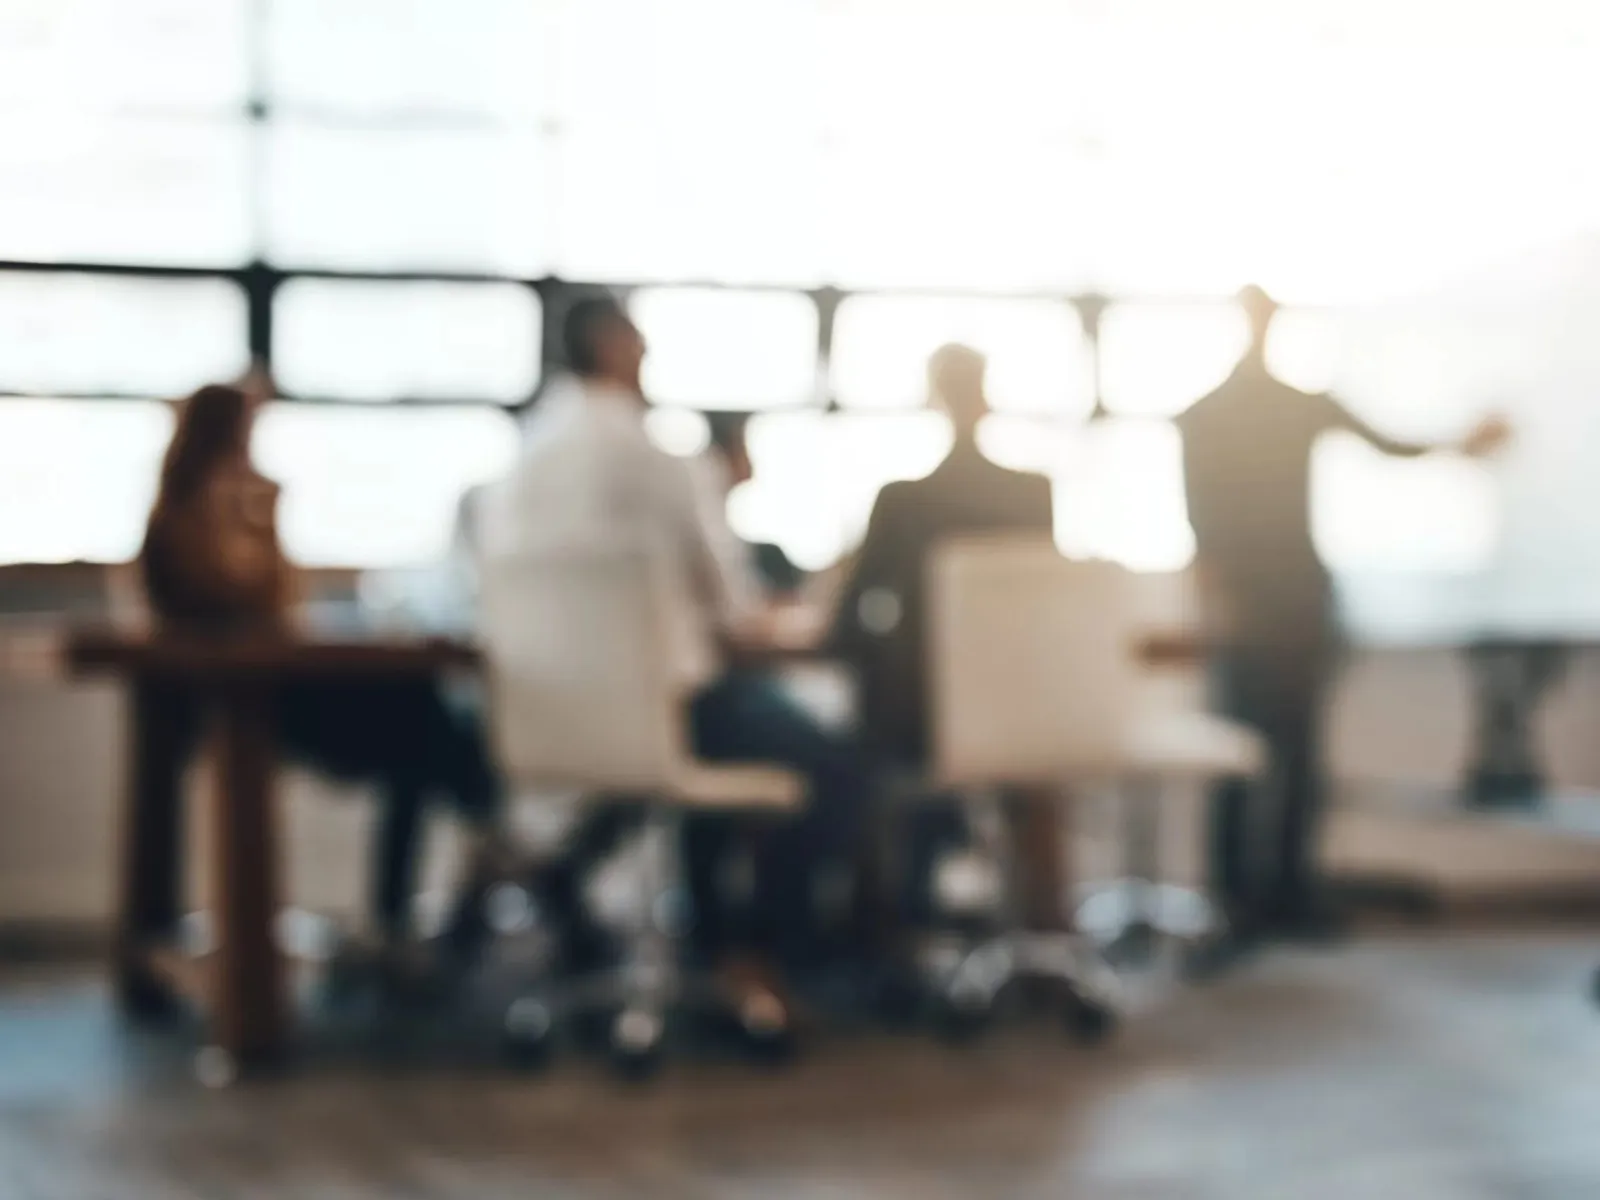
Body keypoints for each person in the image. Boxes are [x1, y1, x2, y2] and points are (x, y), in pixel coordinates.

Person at [479, 295, 877, 991]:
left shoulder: (519, 463)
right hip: (667, 706)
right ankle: (760, 951)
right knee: (837, 766)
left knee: (738, 732)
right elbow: (732, 613)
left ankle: (704, 934)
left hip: (550, 715)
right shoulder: (652, 458)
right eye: (640, 342)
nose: (648, 359)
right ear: (611, 344)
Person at [1178, 284, 1510, 951]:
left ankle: (1283, 894)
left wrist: (1460, 445)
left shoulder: (1293, 404)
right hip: (1253, 603)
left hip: (1296, 598)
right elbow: (1201, 521)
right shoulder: (1207, 413)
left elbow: (1391, 446)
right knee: (1244, 756)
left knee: (1297, 753)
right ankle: (1235, 899)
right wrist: (1215, 604)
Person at [138, 383, 505, 967]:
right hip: (250, 693)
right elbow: (249, 605)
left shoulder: (227, 503)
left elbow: (278, 609)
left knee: (417, 714)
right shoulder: (192, 517)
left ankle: (414, 902)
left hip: (274, 682)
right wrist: (262, 517)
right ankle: (489, 826)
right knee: (422, 729)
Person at [827, 343, 1063, 930]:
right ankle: (1046, 929)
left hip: (923, 719)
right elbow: (1047, 611)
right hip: (1022, 710)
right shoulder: (1032, 494)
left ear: (935, 397)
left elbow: (850, 621)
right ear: (986, 395)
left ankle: (884, 931)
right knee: (1034, 777)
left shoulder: (903, 500)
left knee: (850, 747)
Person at [700, 412, 804, 599]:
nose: (751, 462)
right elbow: (733, 608)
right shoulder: (706, 517)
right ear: (726, 454)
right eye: (745, 448)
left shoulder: (718, 517)